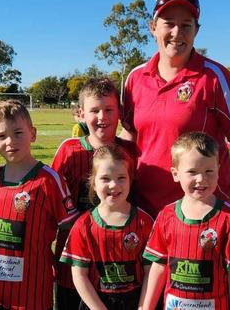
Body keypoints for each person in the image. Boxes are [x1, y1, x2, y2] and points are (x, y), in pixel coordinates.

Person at [121, 0, 230, 217]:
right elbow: (129, 139)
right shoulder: (135, 78)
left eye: (186, 25)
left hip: (202, 216)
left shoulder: (214, 77)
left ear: (197, 30)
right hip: (144, 215)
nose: (177, 32)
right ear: (153, 27)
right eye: (169, 23)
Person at [0, 100, 79, 309]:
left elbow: (71, 227)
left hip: (33, 290)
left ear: (32, 134)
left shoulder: (49, 180)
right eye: (1, 136)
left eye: (18, 133)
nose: (10, 141)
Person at [52, 78, 137, 309]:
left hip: (116, 269)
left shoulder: (130, 152)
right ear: (81, 113)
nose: (102, 117)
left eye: (109, 110)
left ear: (119, 112)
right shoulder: (69, 151)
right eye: (95, 110)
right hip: (71, 267)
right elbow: (53, 203)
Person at [139, 132, 230, 310]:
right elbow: (158, 266)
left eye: (209, 171)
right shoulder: (166, 215)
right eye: (192, 172)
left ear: (219, 170)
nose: (201, 179)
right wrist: (146, 307)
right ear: (175, 173)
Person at [60, 145, 153, 310]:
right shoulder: (83, 226)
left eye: (121, 178)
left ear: (130, 180)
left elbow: (150, 272)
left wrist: (144, 307)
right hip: (96, 302)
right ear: (93, 183)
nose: (114, 185)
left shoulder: (144, 222)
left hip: (136, 301)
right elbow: (79, 275)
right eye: (105, 178)